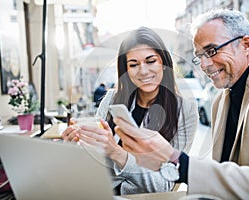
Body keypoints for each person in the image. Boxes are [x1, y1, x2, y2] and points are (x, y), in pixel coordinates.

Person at [113, 9, 249, 199]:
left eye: (211, 51)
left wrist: (177, 160)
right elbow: (224, 178)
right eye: (199, 56)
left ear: (246, 45)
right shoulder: (220, 100)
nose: (204, 65)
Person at [62, 27, 199, 195]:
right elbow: (95, 161)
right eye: (133, 65)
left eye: (150, 61)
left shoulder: (186, 111)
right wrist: (75, 147)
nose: (143, 70)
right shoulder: (112, 99)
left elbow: (164, 184)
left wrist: (116, 152)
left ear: (163, 63)